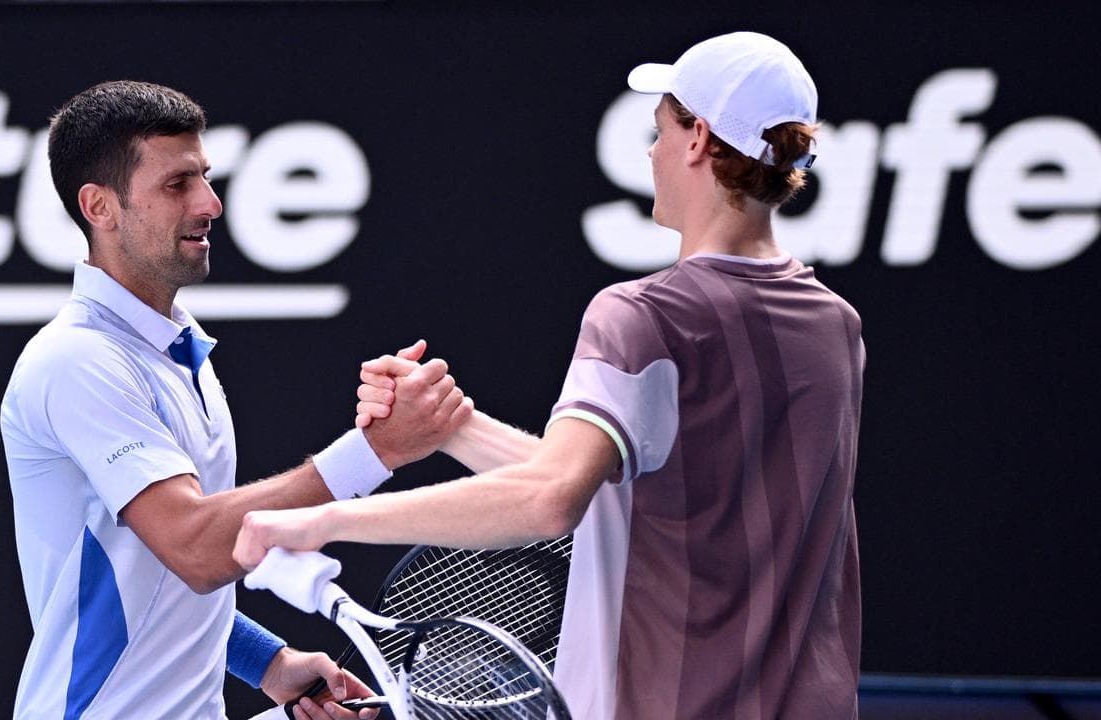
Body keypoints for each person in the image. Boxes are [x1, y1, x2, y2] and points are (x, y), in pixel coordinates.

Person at [233, 32, 864, 720]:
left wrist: (321, 522)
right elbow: (634, 497)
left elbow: (551, 498)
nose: (651, 154)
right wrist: (456, 427)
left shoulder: (643, 316)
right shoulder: (834, 326)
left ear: (697, 140)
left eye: (659, 132)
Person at [0, 80, 470, 720]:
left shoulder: (177, 346)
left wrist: (268, 664)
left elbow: (156, 580)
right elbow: (193, 545)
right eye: (177, 185)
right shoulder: (77, 360)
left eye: (206, 177)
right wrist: (372, 452)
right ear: (100, 207)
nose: (211, 203)